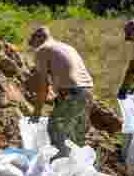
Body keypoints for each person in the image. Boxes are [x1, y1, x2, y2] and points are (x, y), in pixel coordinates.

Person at [28, 27, 94, 160]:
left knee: (55, 131)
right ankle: (77, 173)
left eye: (33, 44)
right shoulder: (67, 47)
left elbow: (43, 86)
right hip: (87, 94)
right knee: (76, 140)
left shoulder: (43, 50)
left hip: (71, 95)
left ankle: (57, 173)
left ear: (39, 38)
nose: (34, 49)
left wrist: (36, 112)